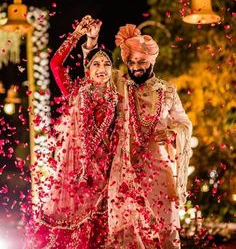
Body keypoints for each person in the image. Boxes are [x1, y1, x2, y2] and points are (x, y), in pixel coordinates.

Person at [81, 18, 193, 249]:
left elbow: (184, 123)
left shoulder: (168, 90)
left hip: (160, 170)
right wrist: (91, 41)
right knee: (126, 231)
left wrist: (173, 133)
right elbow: (95, 72)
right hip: (125, 169)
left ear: (152, 60)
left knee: (164, 229)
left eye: (141, 61)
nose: (135, 67)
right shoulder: (119, 84)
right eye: (131, 61)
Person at [24, 16, 119, 248]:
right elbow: (56, 64)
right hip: (77, 175)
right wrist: (77, 35)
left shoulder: (118, 97)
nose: (102, 69)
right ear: (87, 69)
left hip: (106, 174)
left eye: (107, 64)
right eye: (96, 64)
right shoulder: (76, 92)